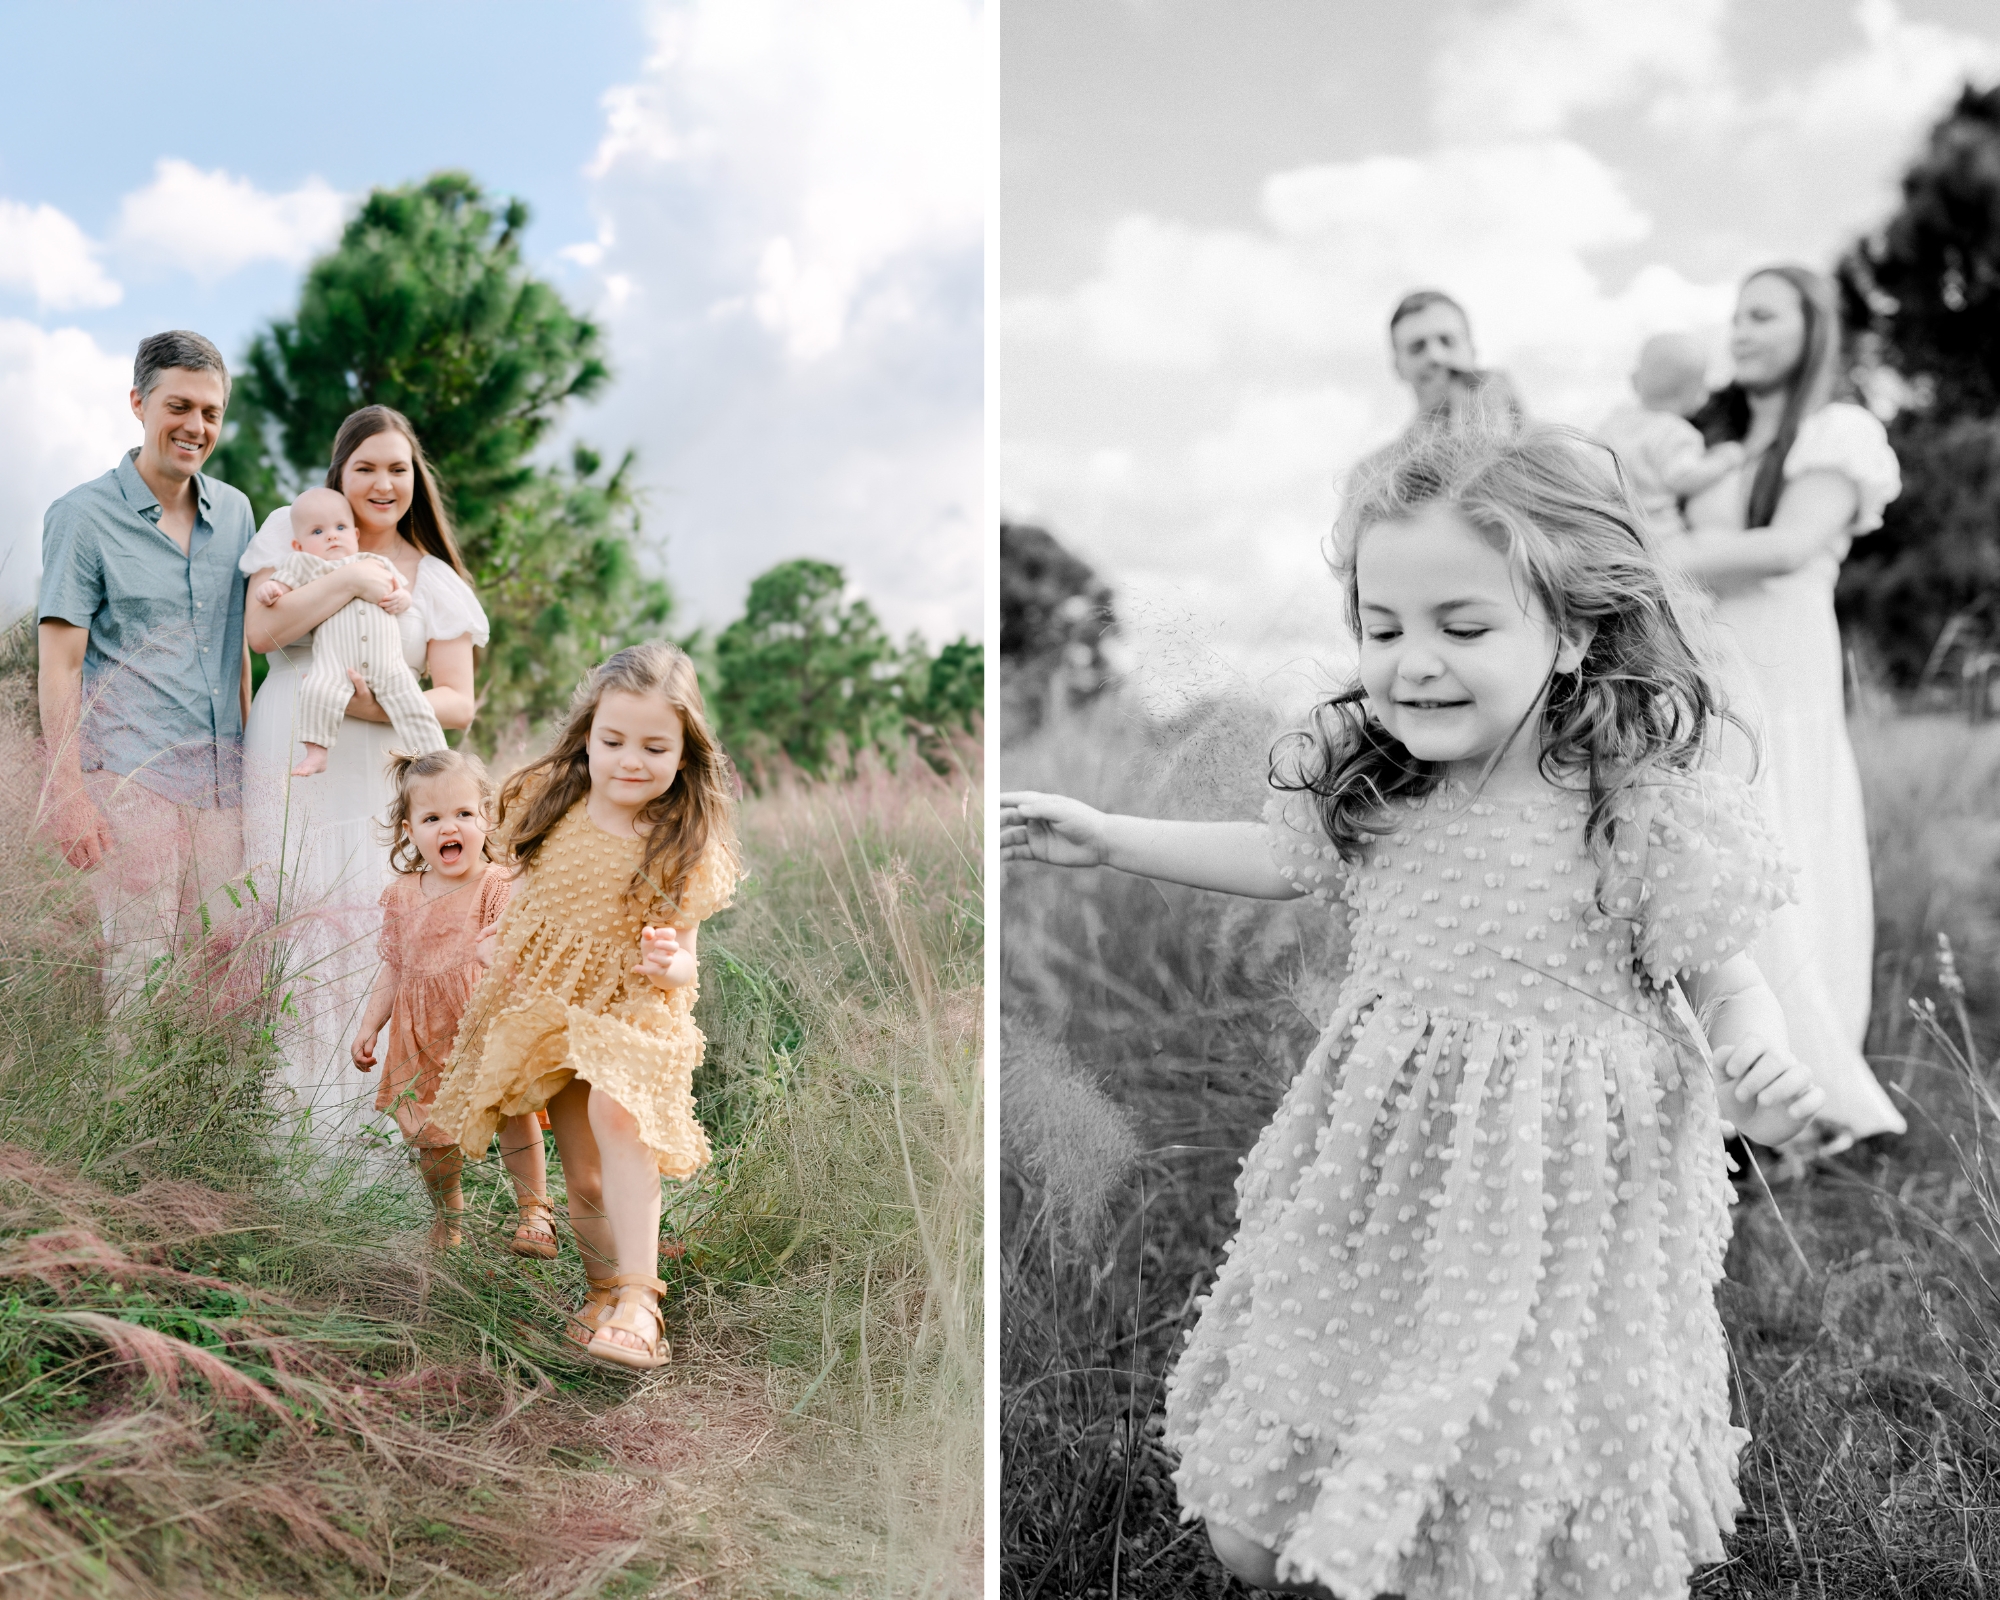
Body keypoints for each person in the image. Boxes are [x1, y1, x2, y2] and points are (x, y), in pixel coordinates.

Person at [1001, 423, 1824, 1596]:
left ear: (1574, 629)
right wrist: (1109, 836)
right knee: (1264, 1519)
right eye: (1379, 628)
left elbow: (1727, 979)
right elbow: (1279, 857)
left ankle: (1494, 1541)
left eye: (1462, 625)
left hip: (1563, 1192)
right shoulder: (1374, 782)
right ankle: (1350, 1507)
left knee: (1516, 1433)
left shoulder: (1634, 808)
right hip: (1386, 1175)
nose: (1412, 662)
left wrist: (1758, 1059)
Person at [428, 642, 743, 1369]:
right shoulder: (554, 807)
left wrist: (674, 960)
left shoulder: (678, 842)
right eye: (614, 741)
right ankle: (602, 1291)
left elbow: (687, 956)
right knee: (585, 1177)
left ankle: (641, 1301)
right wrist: (497, 945)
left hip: (634, 1009)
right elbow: (527, 892)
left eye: (654, 746)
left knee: (617, 1111)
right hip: (552, 1009)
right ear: (589, 736)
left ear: (684, 752)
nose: (632, 759)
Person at [1664, 264, 1905, 1149]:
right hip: (1713, 665)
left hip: (1787, 670)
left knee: (1786, 845)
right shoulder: (1712, 439)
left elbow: (1791, 544)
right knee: (1713, 852)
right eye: (1737, 315)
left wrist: (1657, 551)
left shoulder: (1837, 429)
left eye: (1764, 314)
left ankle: (1799, 1092)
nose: (1743, 330)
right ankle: (1718, 1078)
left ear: (1812, 330)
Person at [240, 405, 488, 1159]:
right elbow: (263, 634)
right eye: (366, 468)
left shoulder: (432, 579)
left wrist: (365, 703)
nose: (383, 484)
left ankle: (376, 1153)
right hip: (290, 754)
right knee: (291, 919)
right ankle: (282, 1145)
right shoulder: (296, 531)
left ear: (415, 479)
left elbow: (456, 700)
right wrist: (349, 573)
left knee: (374, 937)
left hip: (382, 772)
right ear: (339, 474)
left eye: (397, 469)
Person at [37, 330, 258, 1006]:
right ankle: (131, 1112)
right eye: (180, 406)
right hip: (130, 782)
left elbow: (239, 653)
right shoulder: (82, 517)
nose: (196, 427)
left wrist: (254, 770)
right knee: (143, 971)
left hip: (224, 788)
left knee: (226, 969)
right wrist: (67, 791)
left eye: (211, 413)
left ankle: (211, 1115)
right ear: (139, 402)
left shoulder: (238, 512)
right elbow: (60, 662)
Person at [350, 748, 554, 1253]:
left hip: (486, 1023)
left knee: (512, 1113)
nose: (451, 828)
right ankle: (449, 1221)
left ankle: (535, 1212)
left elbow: (515, 950)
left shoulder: (495, 883)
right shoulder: (402, 895)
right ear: (408, 829)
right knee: (431, 1141)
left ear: (486, 818)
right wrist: (370, 1025)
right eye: (433, 817)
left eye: (464, 814)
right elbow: (395, 966)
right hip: (422, 1035)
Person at [255, 487, 445, 778]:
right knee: (317, 691)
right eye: (317, 532)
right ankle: (317, 752)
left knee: (414, 704)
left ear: (355, 536)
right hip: (335, 662)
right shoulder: (304, 565)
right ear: (298, 544)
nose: (331, 536)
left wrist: (402, 599)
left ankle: (437, 759)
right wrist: (271, 589)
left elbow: (402, 593)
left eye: (340, 527)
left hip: (387, 662)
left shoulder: (376, 562)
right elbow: (282, 587)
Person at [1596, 332, 1747, 536]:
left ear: (1634, 380)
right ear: (1696, 393)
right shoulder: (1676, 433)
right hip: (1653, 527)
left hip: (1609, 520)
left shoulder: (1617, 419)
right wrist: (1724, 460)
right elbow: (1684, 477)